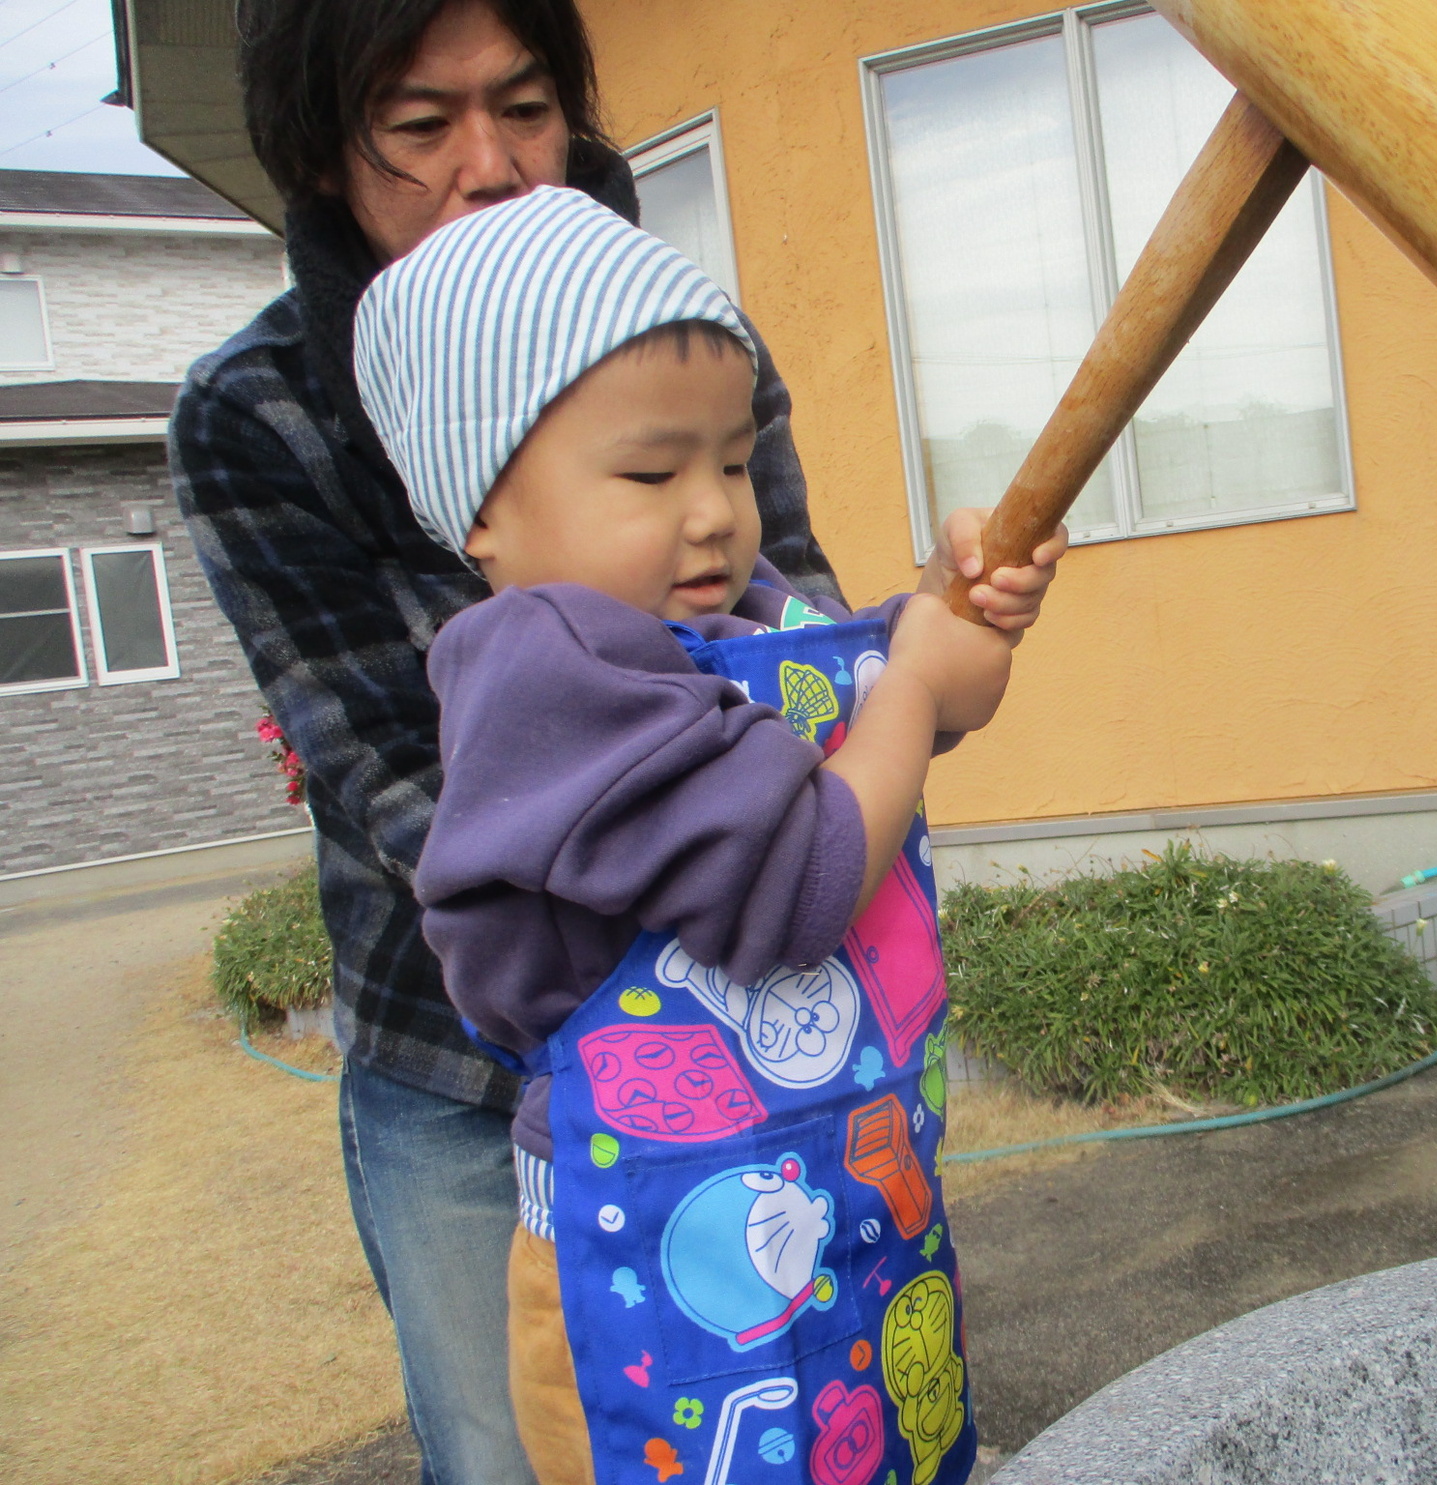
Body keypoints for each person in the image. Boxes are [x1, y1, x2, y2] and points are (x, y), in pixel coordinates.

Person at [169, 3, 839, 1479]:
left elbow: (797, 641)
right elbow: (404, 782)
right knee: (511, 1448)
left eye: (526, 107)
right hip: (456, 1060)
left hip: (760, 1027)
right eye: (419, 126)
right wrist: (768, 841)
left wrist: (868, 705)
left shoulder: (685, 342)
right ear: (323, 154)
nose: (491, 164)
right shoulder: (256, 413)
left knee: (807, 1414)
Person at [349, 185, 1063, 1484]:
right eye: (649, 470)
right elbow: (804, 874)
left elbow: (925, 714)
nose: (716, 510)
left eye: (733, 461)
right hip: (644, 1260)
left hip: (818, 1199)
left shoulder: (739, 622)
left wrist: (964, 620)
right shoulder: (545, 670)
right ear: (484, 514)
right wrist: (905, 678)